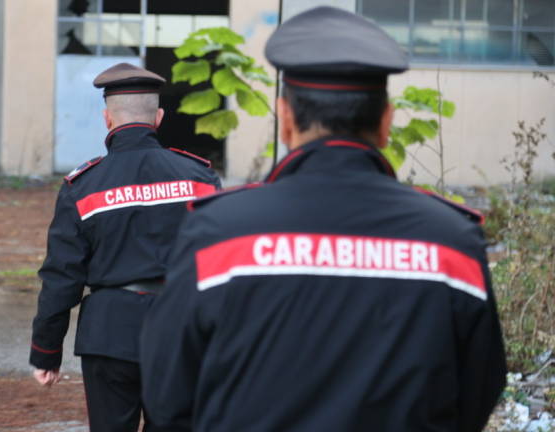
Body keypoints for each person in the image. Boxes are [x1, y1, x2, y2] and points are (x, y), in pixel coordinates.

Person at [139, 7, 507, 432]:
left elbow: (167, 394)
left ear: (286, 119)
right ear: (386, 123)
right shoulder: (451, 242)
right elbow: (479, 389)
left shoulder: (217, 234)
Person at [29, 63, 221, 432]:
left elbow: (62, 276)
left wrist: (46, 351)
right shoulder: (200, 177)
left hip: (109, 335)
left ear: (107, 119)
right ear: (159, 117)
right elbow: (220, 263)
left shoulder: (83, 187)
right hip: (181, 331)